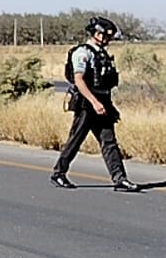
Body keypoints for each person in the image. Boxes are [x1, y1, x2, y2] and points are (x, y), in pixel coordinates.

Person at [50, 16, 141, 192]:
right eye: (105, 35)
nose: (108, 39)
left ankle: (120, 179)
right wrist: (94, 101)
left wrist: (104, 104)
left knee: (109, 142)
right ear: (96, 34)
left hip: (103, 102)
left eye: (110, 36)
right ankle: (58, 173)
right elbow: (79, 80)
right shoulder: (83, 53)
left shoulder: (102, 54)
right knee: (75, 140)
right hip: (87, 104)